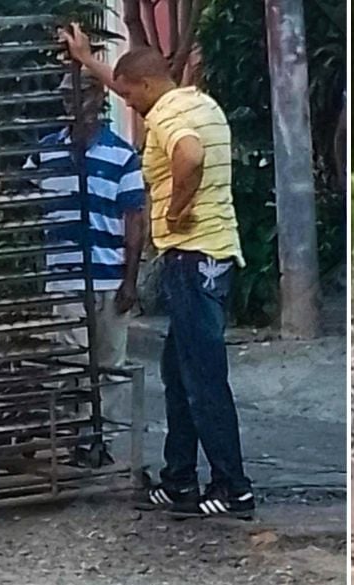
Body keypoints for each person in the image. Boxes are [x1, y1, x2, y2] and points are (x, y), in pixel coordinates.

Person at [62, 26, 255, 519]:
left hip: (195, 258)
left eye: (128, 97)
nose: (126, 105)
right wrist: (87, 60)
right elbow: (131, 82)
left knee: (203, 379)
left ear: (146, 89)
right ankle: (180, 479)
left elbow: (188, 155)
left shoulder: (171, 116)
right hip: (203, 259)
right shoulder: (194, 102)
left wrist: (176, 211)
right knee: (179, 372)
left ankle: (233, 488)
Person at [31, 70, 145, 371]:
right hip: (64, 278)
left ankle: (111, 420)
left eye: (79, 94)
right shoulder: (44, 152)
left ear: (98, 97)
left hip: (109, 277)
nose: (72, 103)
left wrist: (130, 281)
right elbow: (21, 198)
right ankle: (78, 419)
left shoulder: (122, 155)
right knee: (71, 367)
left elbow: (134, 220)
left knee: (111, 368)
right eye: (67, 96)